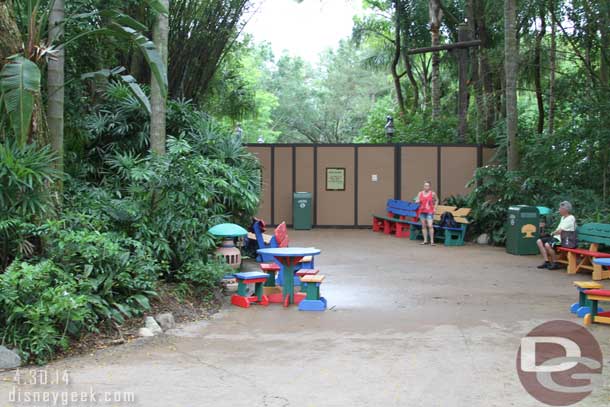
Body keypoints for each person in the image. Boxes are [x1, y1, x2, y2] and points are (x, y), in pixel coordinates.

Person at [536, 201, 576, 269]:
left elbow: (560, 231)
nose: (559, 210)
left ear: (565, 210)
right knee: (539, 241)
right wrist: (553, 233)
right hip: (556, 237)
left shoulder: (571, 218)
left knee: (547, 244)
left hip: (565, 240)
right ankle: (546, 261)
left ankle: (555, 263)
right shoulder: (563, 217)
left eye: (560, 208)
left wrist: (553, 233)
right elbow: (557, 231)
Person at [416, 181, 439, 246]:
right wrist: (417, 201)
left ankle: (432, 241)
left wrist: (435, 208)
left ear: (430, 187)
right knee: (423, 226)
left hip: (429, 211)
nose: (426, 187)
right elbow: (417, 200)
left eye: (427, 186)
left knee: (430, 225)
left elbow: (437, 200)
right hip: (422, 211)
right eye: (425, 185)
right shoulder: (420, 193)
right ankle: (425, 240)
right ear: (423, 186)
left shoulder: (433, 193)